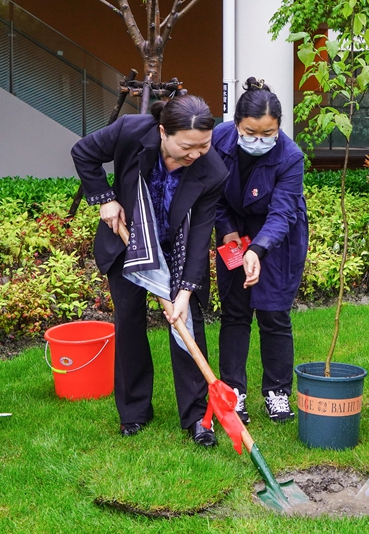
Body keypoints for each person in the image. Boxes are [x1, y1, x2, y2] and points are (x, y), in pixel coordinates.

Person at [71, 96, 229, 446]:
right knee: (129, 320)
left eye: (204, 145)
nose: (196, 154)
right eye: (188, 146)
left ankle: (196, 418)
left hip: (177, 249)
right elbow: (83, 151)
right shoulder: (131, 131)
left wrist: (185, 291)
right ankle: (134, 412)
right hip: (129, 242)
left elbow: (202, 231)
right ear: (162, 132)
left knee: (186, 323)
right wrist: (104, 198)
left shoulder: (212, 170)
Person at [212, 77, 308, 424]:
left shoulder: (290, 156)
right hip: (234, 232)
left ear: (279, 127)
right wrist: (227, 232)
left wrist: (259, 249)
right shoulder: (219, 140)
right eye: (251, 132)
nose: (259, 140)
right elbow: (214, 195)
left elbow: (283, 212)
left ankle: (277, 392)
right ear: (237, 123)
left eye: (268, 133)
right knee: (235, 312)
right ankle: (234, 390)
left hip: (277, 237)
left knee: (273, 314)